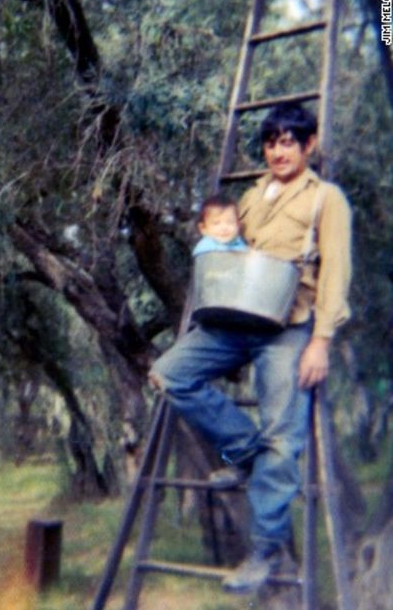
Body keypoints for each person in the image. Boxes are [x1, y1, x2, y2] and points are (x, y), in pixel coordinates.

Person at [150, 102, 352, 594]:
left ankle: (264, 550)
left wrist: (320, 342)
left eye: (289, 141)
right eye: (271, 142)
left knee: (284, 436)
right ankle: (244, 448)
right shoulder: (251, 196)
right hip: (236, 316)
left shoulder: (327, 200)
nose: (279, 151)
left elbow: (336, 274)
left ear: (308, 146)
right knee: (170, 373)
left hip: (289, 326)